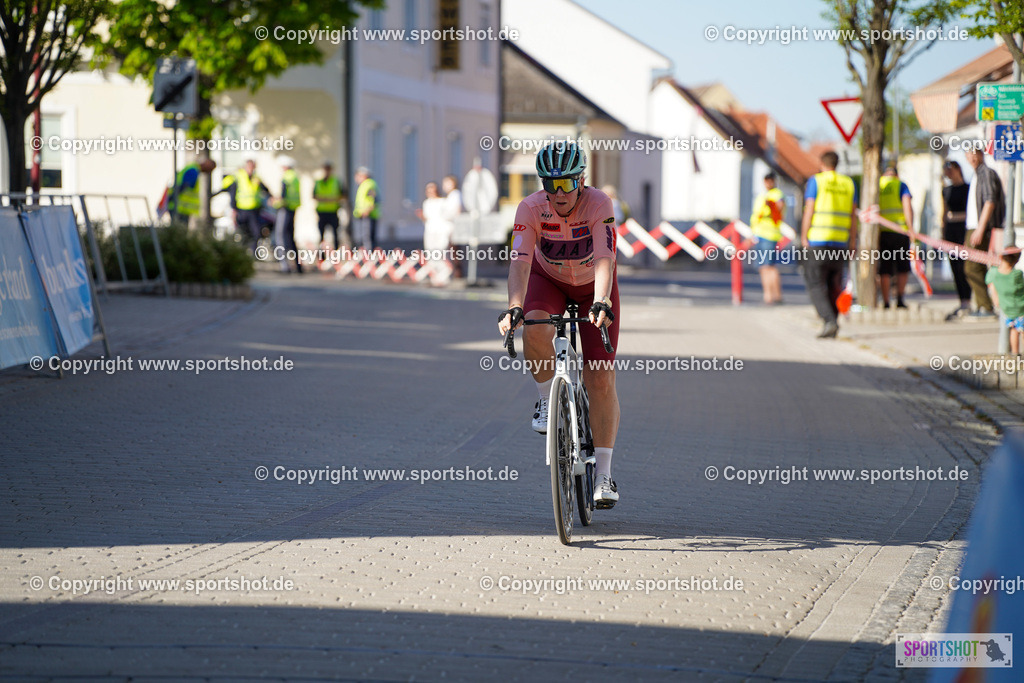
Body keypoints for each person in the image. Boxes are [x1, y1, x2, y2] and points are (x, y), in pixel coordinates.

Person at [496, 141, 621, 508]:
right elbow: (519, 262)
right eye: (551, 185)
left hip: (593, 286)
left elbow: (604, 257)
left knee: (599, 374)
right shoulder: (530, 208)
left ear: (581, 180)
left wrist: (601, 301)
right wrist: (514, 307)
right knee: (534, 327)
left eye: (567, 184)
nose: (559, 193)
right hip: (547, 280)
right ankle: (544, 401)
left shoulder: (599, 204)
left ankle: (604, 475)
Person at [801, 151, 859, 339]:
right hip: (840, 242)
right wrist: (852, 242)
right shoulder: (849, 183)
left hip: (818, 240)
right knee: (834, 283)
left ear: (821, 163)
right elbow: (853, 216)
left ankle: (829, 321)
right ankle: (833, 320)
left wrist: (804, 236)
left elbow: (809, 210)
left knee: (815, 283)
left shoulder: (816, 181)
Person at [964, 149, 1006, 317]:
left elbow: (990, 201)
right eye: (969, 153)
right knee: (979, 266)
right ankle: (984, 305)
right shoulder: (976, 175)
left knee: (972, 267)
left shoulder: (986, 173)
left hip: (982, 227)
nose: (972, 157)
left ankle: (986, 306)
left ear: (981, 154)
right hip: (974, 227)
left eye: (975, 153)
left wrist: (980, 228)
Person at [877, 166, 913, 309]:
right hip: (900, 232)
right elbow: (907, 207)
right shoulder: (901, 185)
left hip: (882, 232)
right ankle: (900, 299)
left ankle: (885, 301)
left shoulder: (878, 185)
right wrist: (911, 229)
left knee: (885, 269)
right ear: (896, 175)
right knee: (902, 267)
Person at [942, 161, 972, 320]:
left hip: (963, 228)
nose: (948, 173)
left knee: (965, 267)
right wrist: (943, 232)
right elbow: (944, 211)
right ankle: (962, 301)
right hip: (951, 230)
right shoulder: (946, 190)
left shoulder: (968, 188)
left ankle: (969, 299)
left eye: (950, 169)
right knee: (955, 266)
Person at [750, 172, 785, 305]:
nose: (768, 184)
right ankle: (768, 295)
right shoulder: (762, 195)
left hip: (769, 235)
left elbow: (779, 210)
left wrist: (772, 205)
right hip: (759, 234)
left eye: (770, 181)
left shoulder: (776, 195)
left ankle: (775, 295)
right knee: (763, 267)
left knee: (768, 266)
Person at [986, 247, 1024, 353]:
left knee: (1014, 330)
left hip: (1007, 308)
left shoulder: (993, 274)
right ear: (1017, 260)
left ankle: (1016, 354)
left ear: (1001, 257)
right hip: (1021, 307)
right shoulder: (1017, 274)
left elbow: (990, 283)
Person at [415, 181, 451, 286]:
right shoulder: (426, 203)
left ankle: (444, 276)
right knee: (430, 253)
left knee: (440, 253)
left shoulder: (442, 202)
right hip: (430, 230)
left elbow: (446, 216)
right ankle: (435, 277)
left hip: (440, 230)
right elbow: (427, 218)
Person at [164, 157, 216, 222]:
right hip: (181, 207)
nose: (208, 172)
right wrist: (173, 198)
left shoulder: (192, 168)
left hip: (179, 206)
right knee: (180, 229)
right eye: (210, 169)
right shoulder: (193, 171)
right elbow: (184, 186)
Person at [274, 156, 302, 273]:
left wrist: (275, 202)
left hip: (285, 209)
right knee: (291, 237)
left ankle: (285, 266)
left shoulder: (286, 177)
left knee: (280, 236)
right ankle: (298, 266)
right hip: (293, 209)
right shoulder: (295, 176)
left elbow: (283, 195)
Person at [314, 161, 346, 250]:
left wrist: (332, 199)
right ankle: (322, 254)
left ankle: (336, 251)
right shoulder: (319, 182)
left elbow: (343, 195)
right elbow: (314, 195)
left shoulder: (336, 181)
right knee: (321, 235)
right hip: (322, 211)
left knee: (335, 234)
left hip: (333, 211)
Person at [353, 167, 380, 251]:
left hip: (368, 215)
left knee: (367, 238)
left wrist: (367, 211)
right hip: (365, 215)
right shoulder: (365, 184)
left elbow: (373, 200)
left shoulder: (369, 184)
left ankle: (369, 256)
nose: (356, 178)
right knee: (366, 237)